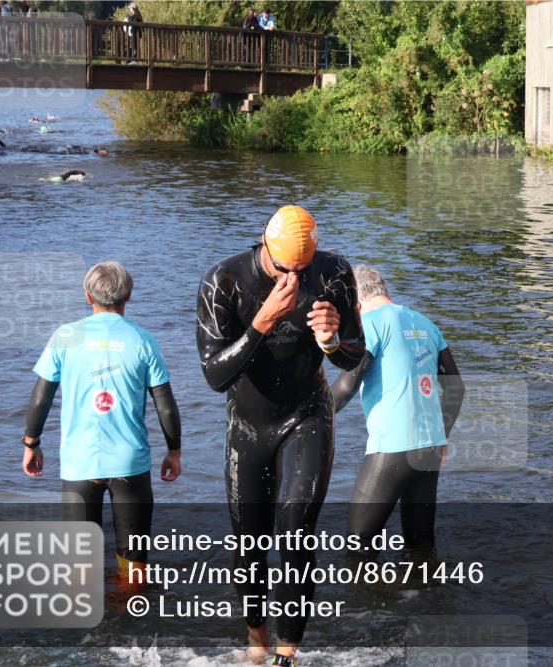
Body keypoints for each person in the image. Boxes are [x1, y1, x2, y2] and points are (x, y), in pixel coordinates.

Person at [196, 205, 364, 666]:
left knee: (295, 532)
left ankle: (287, 655)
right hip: (248, 426)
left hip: (306, 416)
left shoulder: (333, 273)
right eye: (282, 269)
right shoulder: (224, 282)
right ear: (264, 247)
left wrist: (332, 341)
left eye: (301, 270)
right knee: (249, 544)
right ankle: (258, 641)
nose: (293, 279)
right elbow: (214, 375)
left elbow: (354, 357)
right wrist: (262, 322)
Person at [22, 261, 182, 584]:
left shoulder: (64, 337)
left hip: (80, 465)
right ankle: (130, 612)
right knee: (134, 562)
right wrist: (174, 451)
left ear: (87, 296)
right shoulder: (143, 341)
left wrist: (31, 443)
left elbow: (41, 399)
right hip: (129, 465)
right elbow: (164, 403)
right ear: (129, 296)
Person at [330, 265, 464, 552]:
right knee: (421, 543)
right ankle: (423, 595)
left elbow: (346, 386)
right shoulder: (426, 323)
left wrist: (308, 418)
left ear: (356, 300)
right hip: (430, 448)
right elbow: (455, 389)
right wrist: (441, 438)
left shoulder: (371, 324)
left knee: (358, 542)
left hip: (392, 447)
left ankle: (368, 597)